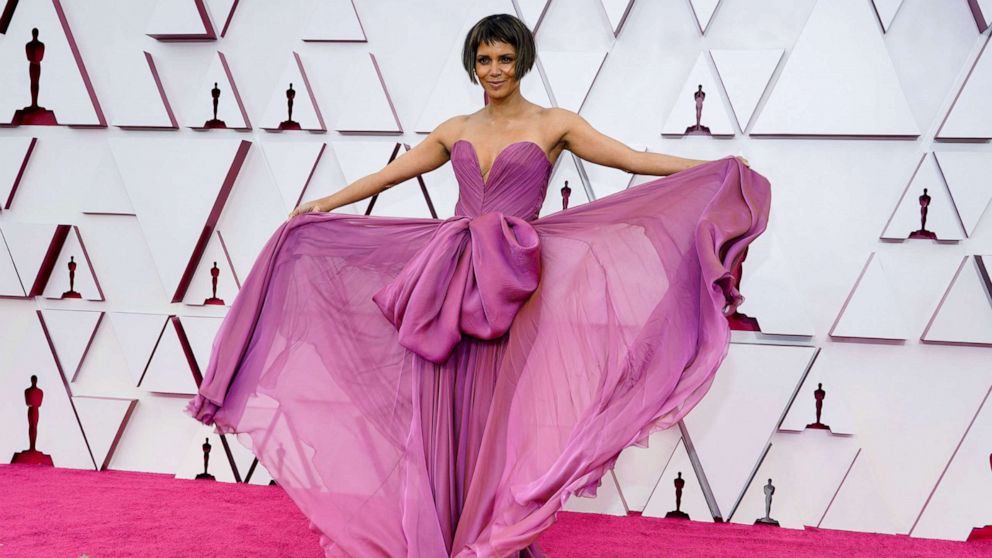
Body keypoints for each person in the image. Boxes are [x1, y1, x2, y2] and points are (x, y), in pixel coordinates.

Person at [187, 13, 770, 557]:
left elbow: (630, 159)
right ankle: (438, 531)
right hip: (448, 277)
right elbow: (389, 176)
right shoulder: (456, 128)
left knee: (497, 409)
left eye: (505, 58)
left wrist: (711, 170)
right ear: (473, 65)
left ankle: (489, 532)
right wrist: (322, 204)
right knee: (439, 396)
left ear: (523, 61)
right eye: (484, 59)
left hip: (512, 281)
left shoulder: (554, 123)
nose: (494, 70)